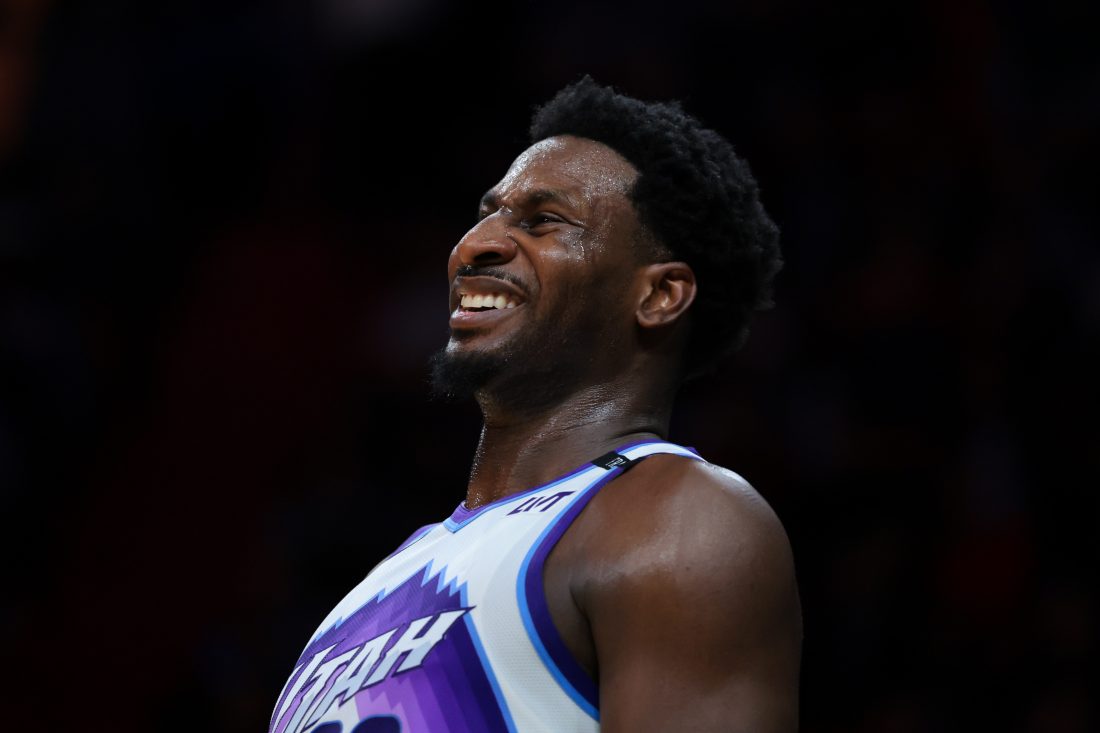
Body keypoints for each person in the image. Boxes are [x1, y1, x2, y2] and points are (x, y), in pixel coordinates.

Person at [269, 77, 800, 733]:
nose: (476, 244)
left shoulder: (681, 520)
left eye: (542, 220)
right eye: (487, 212)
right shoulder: (369, 590)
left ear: (659, 295)